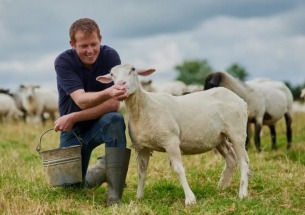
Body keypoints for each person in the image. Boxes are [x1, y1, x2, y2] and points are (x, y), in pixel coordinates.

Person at [53, 18, 131, 206]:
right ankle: (104, 169)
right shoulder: (63, 62)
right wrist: (109, 92)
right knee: (71, 189)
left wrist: (73, 116)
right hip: (72, 131)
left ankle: (114, 197)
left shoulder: (111, 57)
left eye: (94, 44)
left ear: (100, 39)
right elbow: (81, 100)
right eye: (83, 46)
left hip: (97, 124)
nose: (90, 50)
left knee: (114, 119)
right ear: (73, 44)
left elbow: (114, 105)